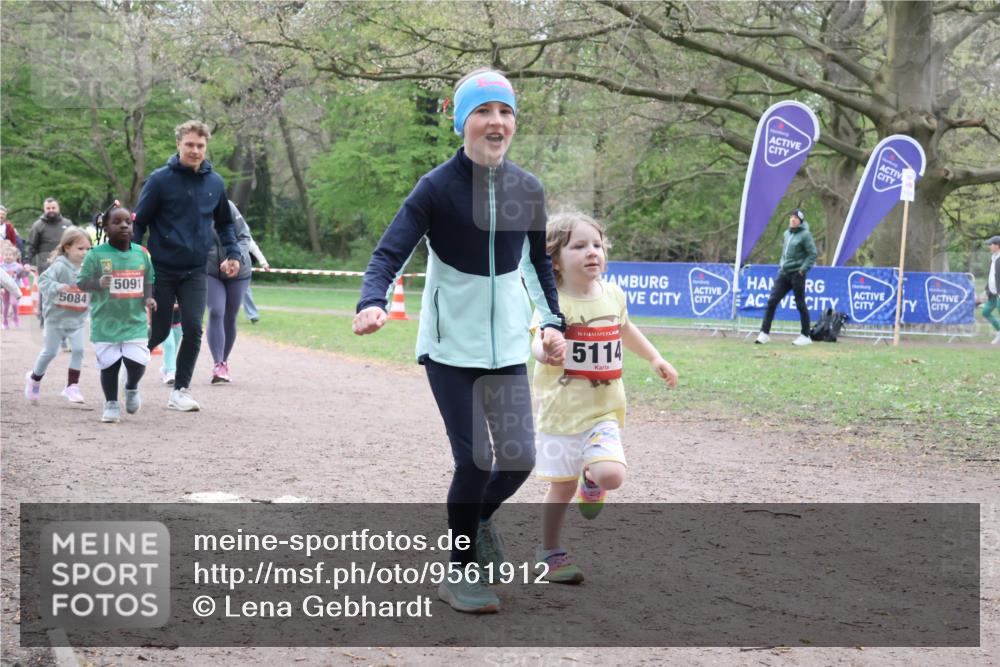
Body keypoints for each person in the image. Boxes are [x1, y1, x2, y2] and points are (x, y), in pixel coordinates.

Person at [353, 69, 566, 614]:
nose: (496, 122)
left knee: (517, 461)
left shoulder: (527, 189)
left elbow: (537, 263)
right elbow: (389, 252)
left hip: (506, 349)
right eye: (483, 112)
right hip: (449, 350)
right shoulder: (436, 188)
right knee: (474, 459)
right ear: (462, 123)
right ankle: (460, 570)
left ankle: (478, 520)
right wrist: (372, 300)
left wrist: (553, 322)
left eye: (505, 112)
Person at [530, 212, 678, 583]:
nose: (592, 252)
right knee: (562, 487)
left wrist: (655, 358)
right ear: (555, 260)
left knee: (611, 475)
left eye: (597, 244)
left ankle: (593, 479)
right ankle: (549, 553)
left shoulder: (613, 294)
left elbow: (625, 328)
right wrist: (545, 351)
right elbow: (536, 340)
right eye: (579, 246)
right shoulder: (552, 302)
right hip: (562, 414)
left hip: (603, 411)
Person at [132, 120, 240, 411]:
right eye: (189, 145)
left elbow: (225, 224)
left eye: (200, 146)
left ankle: (180, 391)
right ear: (178, 144)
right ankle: (129, 379)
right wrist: (133, 256)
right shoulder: (160, 180)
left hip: (195, 270)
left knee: (193, 329)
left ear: (206, 147)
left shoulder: (215, 183)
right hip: (162, 269)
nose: (195, 151)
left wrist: (233, 254)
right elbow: (139, 222)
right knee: (159, 332)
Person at [76, 203, 156, 423]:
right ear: (105, 227)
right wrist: (98, 283)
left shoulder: (142, 253)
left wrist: (148, 298)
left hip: (134, 320)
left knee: (137, 362)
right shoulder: (95, 255)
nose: (123, 226)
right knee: (109, 366)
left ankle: (131, 386)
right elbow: (81, 282)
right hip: (106, 322)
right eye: (117, 222)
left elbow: (148, 278)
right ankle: (111, 403)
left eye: (128, 222)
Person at [24, 228, 92, 403]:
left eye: (88, 249)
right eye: (80, 248)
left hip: (77, 320)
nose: (85, 252)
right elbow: (43, 281)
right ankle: (34, 379)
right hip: (56, 319)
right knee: (49, 352)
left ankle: (72, 386)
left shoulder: (89, 268)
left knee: (79, 350)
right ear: (67, 247)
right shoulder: (59, 266)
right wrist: (57, 287)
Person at [205, 201, 253, 383]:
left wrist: (234, 257)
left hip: (239, 270)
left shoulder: (228, 207)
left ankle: (224, 361)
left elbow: (245, 237)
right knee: (216, 311)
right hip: (210, 270)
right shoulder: (191, 207)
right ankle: (218, 364)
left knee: (230, 316)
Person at [755, 208, 818, 346]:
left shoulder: (805, 235)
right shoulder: (786, 233)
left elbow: (812, 254)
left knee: (800, 303)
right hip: (784, 273)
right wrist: (781, 265)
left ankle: (806, 335)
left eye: (796, 218)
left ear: (800, 221)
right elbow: (784, 254)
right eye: (791, 217)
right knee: (772, 301)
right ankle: (764, 333)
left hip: (797, 274)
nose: (792, 219)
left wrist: (802, 270)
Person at [25, 198, 74, 327]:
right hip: (45, 264)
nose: (51, 210)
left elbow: (74, 242)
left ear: (58, 208)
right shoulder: (38, 225)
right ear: (44, 209)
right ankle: (45, 318)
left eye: (53, 208)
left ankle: (65, 318)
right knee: (46, 291)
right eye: (48, 208)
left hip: (65, 263)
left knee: (66, 289)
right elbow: (31, 245)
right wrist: (27, 261)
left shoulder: (67, 224)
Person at [242, 235, 269, 324]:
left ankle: (252, 315)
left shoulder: (244, 233)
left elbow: (253, 248)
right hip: (224, 266)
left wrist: (263, 262)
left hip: (242, 267)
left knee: (245, 290)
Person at [1, 241, 27, 329]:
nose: (8, 256)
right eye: (6, 255)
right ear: (2, 256)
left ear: (15, 257)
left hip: (15, 288)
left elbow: (22, 276)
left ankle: (15, 317)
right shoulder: (1, 267)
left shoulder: (18, 266)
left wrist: (25, 271)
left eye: (10, 255)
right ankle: (5, 321)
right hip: (5, 288)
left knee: (14, 303)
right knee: (6, 305)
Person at [983, 235, 1000, 345]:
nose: (989, 246)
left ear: (997, 246)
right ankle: (999, 330)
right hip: (992, 293)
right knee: (985, 312)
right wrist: (986, 289)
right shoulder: (993, 258)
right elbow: (992, 276)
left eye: (991, 244)